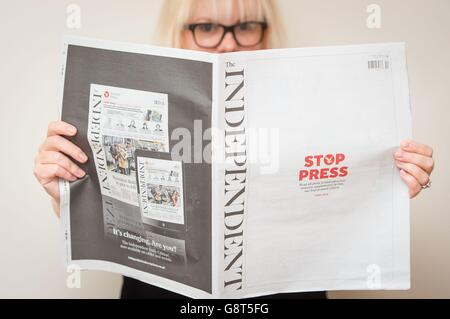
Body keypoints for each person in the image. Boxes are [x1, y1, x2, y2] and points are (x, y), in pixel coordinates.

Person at [33, 0, 435, 299]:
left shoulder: (314, 111)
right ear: (180, 32)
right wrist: (65, 193)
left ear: (266, 31)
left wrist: (388, 184)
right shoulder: (136, 105)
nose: (227, 44)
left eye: (245, 26)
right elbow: (109, 221)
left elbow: (335, 199)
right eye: (206, 26)